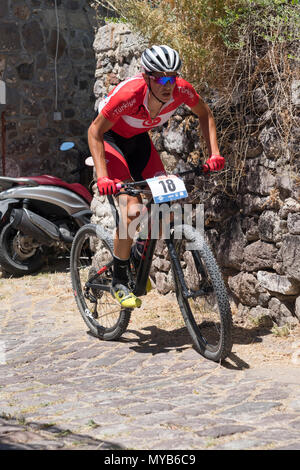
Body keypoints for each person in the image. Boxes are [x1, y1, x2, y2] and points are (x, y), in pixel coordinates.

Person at [88, 45, 225, 309]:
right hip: (110, 139)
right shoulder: (129, 95)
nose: (168, 84)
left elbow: (205, 113)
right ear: (146, 76)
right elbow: (94, 132)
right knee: (132, 209)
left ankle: (138, 256)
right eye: (161, 78)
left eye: (173, 77)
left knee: (169, 203)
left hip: (139, 141)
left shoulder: (182, 90)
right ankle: (118, 279)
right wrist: (104, 177)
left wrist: (214, 154)